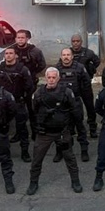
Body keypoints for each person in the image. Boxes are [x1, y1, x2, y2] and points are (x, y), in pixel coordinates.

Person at [26, 67, 83, 195]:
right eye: (49, 77)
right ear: (45, 78)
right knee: (36, 160)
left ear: (58, 78)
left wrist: (72, 129)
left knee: (70, 158)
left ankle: (75, 182)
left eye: (54, 77)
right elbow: (34, 111)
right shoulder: (38, 93)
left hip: (62, 132)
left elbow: (75, 111)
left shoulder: (66, 92)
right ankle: (33, 183)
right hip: (44, 133)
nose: (51, 80)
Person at [0, 46, 34, 163]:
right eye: (6, 53)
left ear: (16, 55)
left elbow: (29, 86)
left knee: (22, 129)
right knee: (1, 129)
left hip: (18, 102)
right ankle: (1, 154)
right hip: (3, 103)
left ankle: (25, 152)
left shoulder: (22, 69)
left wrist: (24, 98)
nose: (8, 55)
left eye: (11, 53)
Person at [55, 48, 94, 162]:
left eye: (68, 55)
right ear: (61, 56)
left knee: (80, 127)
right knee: (61, 129)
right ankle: (60, 151)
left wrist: (83, 96)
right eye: (64, 55)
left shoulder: (80, 67)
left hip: (75, 102)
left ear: (72, 56)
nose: (66, 57)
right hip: (62, 104)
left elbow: (86, 83)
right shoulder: (57, 69)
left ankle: (84, 151)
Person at [14, 29, 46, 139]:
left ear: (27, 39)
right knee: (18, 111)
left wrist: (32, 73)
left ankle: (35, 132)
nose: (20, 40)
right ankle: (19, 133)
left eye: (22, 38)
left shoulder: (35, 51)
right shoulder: (12, 51)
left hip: (30, 84)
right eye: (18, 38)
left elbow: (42, 64)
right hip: (16, 85)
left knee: (32, 109)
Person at [70, 34, 101, 138]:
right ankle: (72, 128)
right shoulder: (68, 52)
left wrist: (90, 69)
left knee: (90, 107)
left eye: (77, 41)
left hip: (85, 84)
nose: (75, 43)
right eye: (73, 41)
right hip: (72, 86)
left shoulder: (88, 53)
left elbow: (97, 61)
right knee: (72, 107)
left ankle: (92, 128)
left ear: (81, 42)